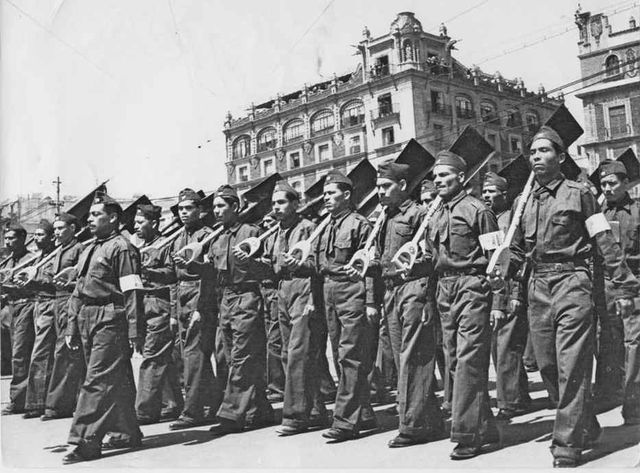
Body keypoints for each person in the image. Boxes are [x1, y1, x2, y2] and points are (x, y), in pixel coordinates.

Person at [504, 127, 639, 467]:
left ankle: (566, 443)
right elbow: (518, 250)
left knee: (573, 365)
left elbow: (604, 240)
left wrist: (624, 286)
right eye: (532, 151)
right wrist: (506, 265)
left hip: (573, 282)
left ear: (561, 157)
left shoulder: (580, 194)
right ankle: (585, 421)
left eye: (544, 150)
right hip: (538, 285)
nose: (536, 156)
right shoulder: (523, 202)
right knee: (548, 365)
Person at [424, 151, 500, 460]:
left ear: (461, 177)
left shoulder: (478, 210)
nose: (439, 180)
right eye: (436, 176)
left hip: (472, 286)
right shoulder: (436, 213)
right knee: (454, 361)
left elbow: (497, 259)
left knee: (469, 360)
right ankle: (486, 427)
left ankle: (468, 434)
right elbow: (432, 260)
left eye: (445, 175)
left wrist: (499, 301)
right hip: (445, 288)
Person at [62, 193, 144, 464]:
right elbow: (78, 289)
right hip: (87, 315)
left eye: (97, 215)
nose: (91, 219)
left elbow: (132, 291)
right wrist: (71, 325)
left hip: (111, 317)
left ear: (113, 218)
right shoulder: (90, 248)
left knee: (97, 379)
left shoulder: (122, 248)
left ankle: (84, 439)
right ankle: (125, 431)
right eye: (90, 215)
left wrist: (135, 330)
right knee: (113, 376)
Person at [373, 162, 444, 447]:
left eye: (385, 186)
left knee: (413, 357)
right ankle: (432, 421)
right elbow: (381, 258)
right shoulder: (384, 219)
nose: (380, 192)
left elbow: (432, 258)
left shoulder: (419, 215)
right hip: (391, 291)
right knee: (404, 357)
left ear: (402, 186)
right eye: (378, 187)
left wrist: (427, 299)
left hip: (414, 289)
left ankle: (412, 426)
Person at [196, 185, 273, 434]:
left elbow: (268, 267)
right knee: (228, 358)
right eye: (215, 206)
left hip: (247, 295)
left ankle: (232, 416)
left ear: (235, 207)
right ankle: (259, 411)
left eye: (222, 206)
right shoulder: (216, 238)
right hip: (225, 299)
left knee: (242, 357)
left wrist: (251, 260)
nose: (216, 211)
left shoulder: (252, 233)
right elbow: (211, 274)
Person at [145, 188, 220, 430]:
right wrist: (147, 271)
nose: (184, 213)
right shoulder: (178, 237)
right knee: (188, 356)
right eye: (181, 209)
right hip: (181, 296)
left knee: (195, 355)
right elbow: (171, 275)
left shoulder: (208, 235)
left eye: (189, 208)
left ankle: (194, 411)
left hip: (201, 295)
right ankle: (210, 403)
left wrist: (200, 307)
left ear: (200, 210)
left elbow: (210, 275)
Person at [261, 180, 328, 435]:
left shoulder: (308, 228)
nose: (276, 208)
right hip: (283, 290)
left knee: (300, 353)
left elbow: (319, 264)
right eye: (274, 203)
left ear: (295, 203)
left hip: (304, 288)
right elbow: (270, 264)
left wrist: (300, 264)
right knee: (289, 355)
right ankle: (315, 410)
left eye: (281, 202)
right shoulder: (275, 232)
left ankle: (295, 416)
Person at [316, 171, 377, 442]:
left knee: (351, 356)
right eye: (325, 194)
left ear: (347, 195)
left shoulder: (359, 224)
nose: (326, 198)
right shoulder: (325, 225)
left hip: (352, 291)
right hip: (330, 290)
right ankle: (362, 414)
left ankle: (345, 421)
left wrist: (371, 301)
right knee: (341, 354)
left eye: (331, 193)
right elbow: (320, 263)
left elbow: (370, 266)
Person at [481, 172, 531, 420]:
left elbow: (517, 261)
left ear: (503, 194)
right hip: (492, 291)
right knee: (499, 347)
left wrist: (513, 295)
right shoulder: (488, 220)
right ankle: (519, 394)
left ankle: (510, 402)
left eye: (491, 191)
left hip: (510, 290)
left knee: (507, 347)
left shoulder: (513, 219)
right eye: (484, 191)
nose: (486, 195)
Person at [596, 160, 640, 425]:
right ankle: (609, 394)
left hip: (634, 283)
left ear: (626, 183)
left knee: (633, 344)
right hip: (605, 286)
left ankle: (634, 405)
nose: (607, 188)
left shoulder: (637, 212)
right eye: (603, 184)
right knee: (608, 342)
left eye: (612, 183)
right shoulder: (597, 214)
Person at [134, 204, 184, 424]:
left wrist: (173, 312)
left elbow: (173, 275)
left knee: (152, 357)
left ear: (153, 223)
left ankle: (144, 410)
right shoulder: (140, 246)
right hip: (143, 303)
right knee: (161, 357)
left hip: (159, 302)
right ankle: (172, 403)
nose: (136, 227)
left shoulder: (165, 244)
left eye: (140, 222)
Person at [41, 213, 86, 421]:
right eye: (56, 228)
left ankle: (57, 406)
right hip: (58, 301)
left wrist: (66, 284)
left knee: (66, 351)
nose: (57, 232)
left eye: (61, 228)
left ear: (73, 228)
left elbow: (82, 279)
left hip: (71, 300)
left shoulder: (80, 249)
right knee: (65, 352)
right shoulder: (60, 250)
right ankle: (70, 402)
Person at [20, 220, 57, 419]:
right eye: (36, 234)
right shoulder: (38, 257)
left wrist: (35, 280)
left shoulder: (54, 256)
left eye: (41, 235)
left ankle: (37, 403)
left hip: (50, 305)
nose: (36, 238)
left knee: (41, 354)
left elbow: (57, 280)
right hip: (38, 304)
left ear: (51, 237)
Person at [0, 225, 37, 415]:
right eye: (6, 238)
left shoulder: (31, 260)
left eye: (12, 238)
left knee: (20, 354)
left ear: (23, 238)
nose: (8, 242)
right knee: (12, 353)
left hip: (25, 305)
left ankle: (19, 400)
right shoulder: (8, 261)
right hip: (9, 308)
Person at [420, 179, 448, 410]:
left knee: (449, 347)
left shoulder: (442, 219)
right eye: (423, 201)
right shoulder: (424, 226)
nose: (426, 205)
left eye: (430, 200)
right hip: (431, 292)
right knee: (435, 346)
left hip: (451, 288)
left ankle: (452, 395)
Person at [259, 213, 286, 403]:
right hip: (265, 291)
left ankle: (278, 387)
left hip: (277, 290)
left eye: (270, 221)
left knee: (276, 341)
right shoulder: (267, 239)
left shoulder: (280, 237)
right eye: (265, 222)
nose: (267, 224)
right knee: (272, 339)